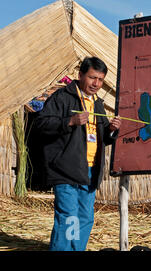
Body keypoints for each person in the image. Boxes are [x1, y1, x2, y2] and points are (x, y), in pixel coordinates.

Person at [35, 57, 121, 251]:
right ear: (80, 75)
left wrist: (112, 130)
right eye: (92, 78)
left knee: (85, 217)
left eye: (100, 79)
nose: (96, 84)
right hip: (65, 168)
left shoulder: (97, 104)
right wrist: (70, 121)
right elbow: (41, 125)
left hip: (90, 170)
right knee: (69, 217)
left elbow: (103, 138)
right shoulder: (62, 98)